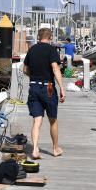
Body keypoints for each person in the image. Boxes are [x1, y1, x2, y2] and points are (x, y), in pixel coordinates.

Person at [23, 27, 65, 159]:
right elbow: (55, 68)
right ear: (50, 37)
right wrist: (62, 87)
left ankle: (35, 149)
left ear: (38, 37)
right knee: (52, 119)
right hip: (49, 87)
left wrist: (33, 78)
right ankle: (55, 148)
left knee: (37, 120)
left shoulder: (32, 49)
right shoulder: (51, 50)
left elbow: (25, 69)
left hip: (34, 87)